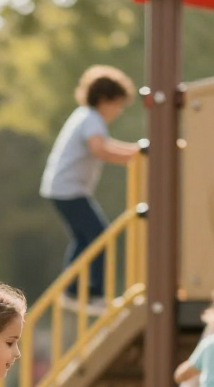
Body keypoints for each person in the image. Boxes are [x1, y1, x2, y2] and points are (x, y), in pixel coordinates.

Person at [40, 65, 140, 302]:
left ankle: (72, 286)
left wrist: (137, 150)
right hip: (68, 189)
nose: (118, 111)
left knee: (84, 238)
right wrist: (136, 154)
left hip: (63, 188)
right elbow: (101, 149)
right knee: (99, 236)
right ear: (104, 100)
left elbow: (105, 144)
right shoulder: (92, 119)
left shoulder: (85, 116)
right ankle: (91, 290)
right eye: (118, 104)